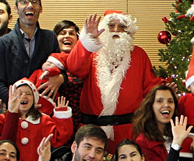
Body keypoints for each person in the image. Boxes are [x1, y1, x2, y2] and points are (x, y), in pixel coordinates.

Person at [66, 11, 161, 147]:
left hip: (129, 132)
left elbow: (151, 88)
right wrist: (87, 42)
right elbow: (74, 67)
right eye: (111, 26)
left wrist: (164, 92)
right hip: (92, 131)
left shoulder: (139, 54)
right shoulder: (92, 52)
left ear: (128, 32)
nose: (116, 30)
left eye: (122, 27)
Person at [0, 0, 60, 103]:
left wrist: (61, 78)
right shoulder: (3, 43)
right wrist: (21, 103)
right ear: (16, 9)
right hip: (15, 109)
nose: (30, 5)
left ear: (41, 8)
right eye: (24, 2)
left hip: (45, 108)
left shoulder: (50, 38)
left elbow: (61, 70)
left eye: (34, 2)